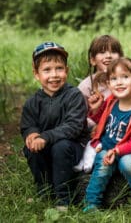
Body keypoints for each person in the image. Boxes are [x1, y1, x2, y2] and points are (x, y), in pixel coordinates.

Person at [82, 57, 131, 216]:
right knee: (102, 166)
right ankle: (91, 202)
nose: (119, 82)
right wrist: (95, 109)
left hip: (130, 152)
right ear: (109, 83)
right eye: (114, 79)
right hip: (106, 148)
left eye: (125, 77)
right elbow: (101, 120)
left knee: (128, 163)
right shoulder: (111, 101)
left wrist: (117, 151)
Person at [20, 42, 88, 210]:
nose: (54, 75)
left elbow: (73, 126)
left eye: (59, 68)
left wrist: (46, 137)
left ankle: (64, 198)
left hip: (73, 148)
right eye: (47, 70)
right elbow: (28, 124)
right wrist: (32, 134)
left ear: (67, 70)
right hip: (47, 147)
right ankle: (44, 191)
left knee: (61, 146)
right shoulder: (32, 102)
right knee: (31, 148)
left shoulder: (74, 96)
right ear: (36, 74)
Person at [74, 35, 124, 173]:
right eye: (102, 52)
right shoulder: (85, 86)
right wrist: (94, 115)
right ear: (92, 60)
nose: (108, 56)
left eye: (113, 52)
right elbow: (79, 119)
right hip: (93, 132)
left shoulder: (125, 82)